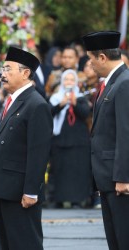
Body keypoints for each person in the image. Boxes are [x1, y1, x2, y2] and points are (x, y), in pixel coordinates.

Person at [0, 46, 53, 250]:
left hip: (19, 190)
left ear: (25, 73)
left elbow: (38, 152)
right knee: (7, 243)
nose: (2, 75)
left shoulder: (36, 104)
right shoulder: (12, 100)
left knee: (24, 243)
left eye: (8, 69)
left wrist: (31, 191)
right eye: (2, 69)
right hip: (3, 187)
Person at [82, 30, 129, 250]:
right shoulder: (113, 83)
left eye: (91, 59)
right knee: (115, 240)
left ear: (102, 57)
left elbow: (125, 133)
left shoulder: (124, 83)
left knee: (123, 237)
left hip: (120, 181)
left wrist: (123, 177)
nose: (89, 65)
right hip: (109, 177)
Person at [49, 69, 92, 208]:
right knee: (60, 170)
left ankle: (77, 200)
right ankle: (59, 199)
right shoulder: (55, 98)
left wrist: (74, 103)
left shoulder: (80, 98)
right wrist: (61, 104)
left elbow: (85, 114)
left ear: (76, 82)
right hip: (60, 141)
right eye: (66, 79)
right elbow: (48, 113)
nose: (69, 82)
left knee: (78, 170)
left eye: (71, 80)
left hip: (79, 142)